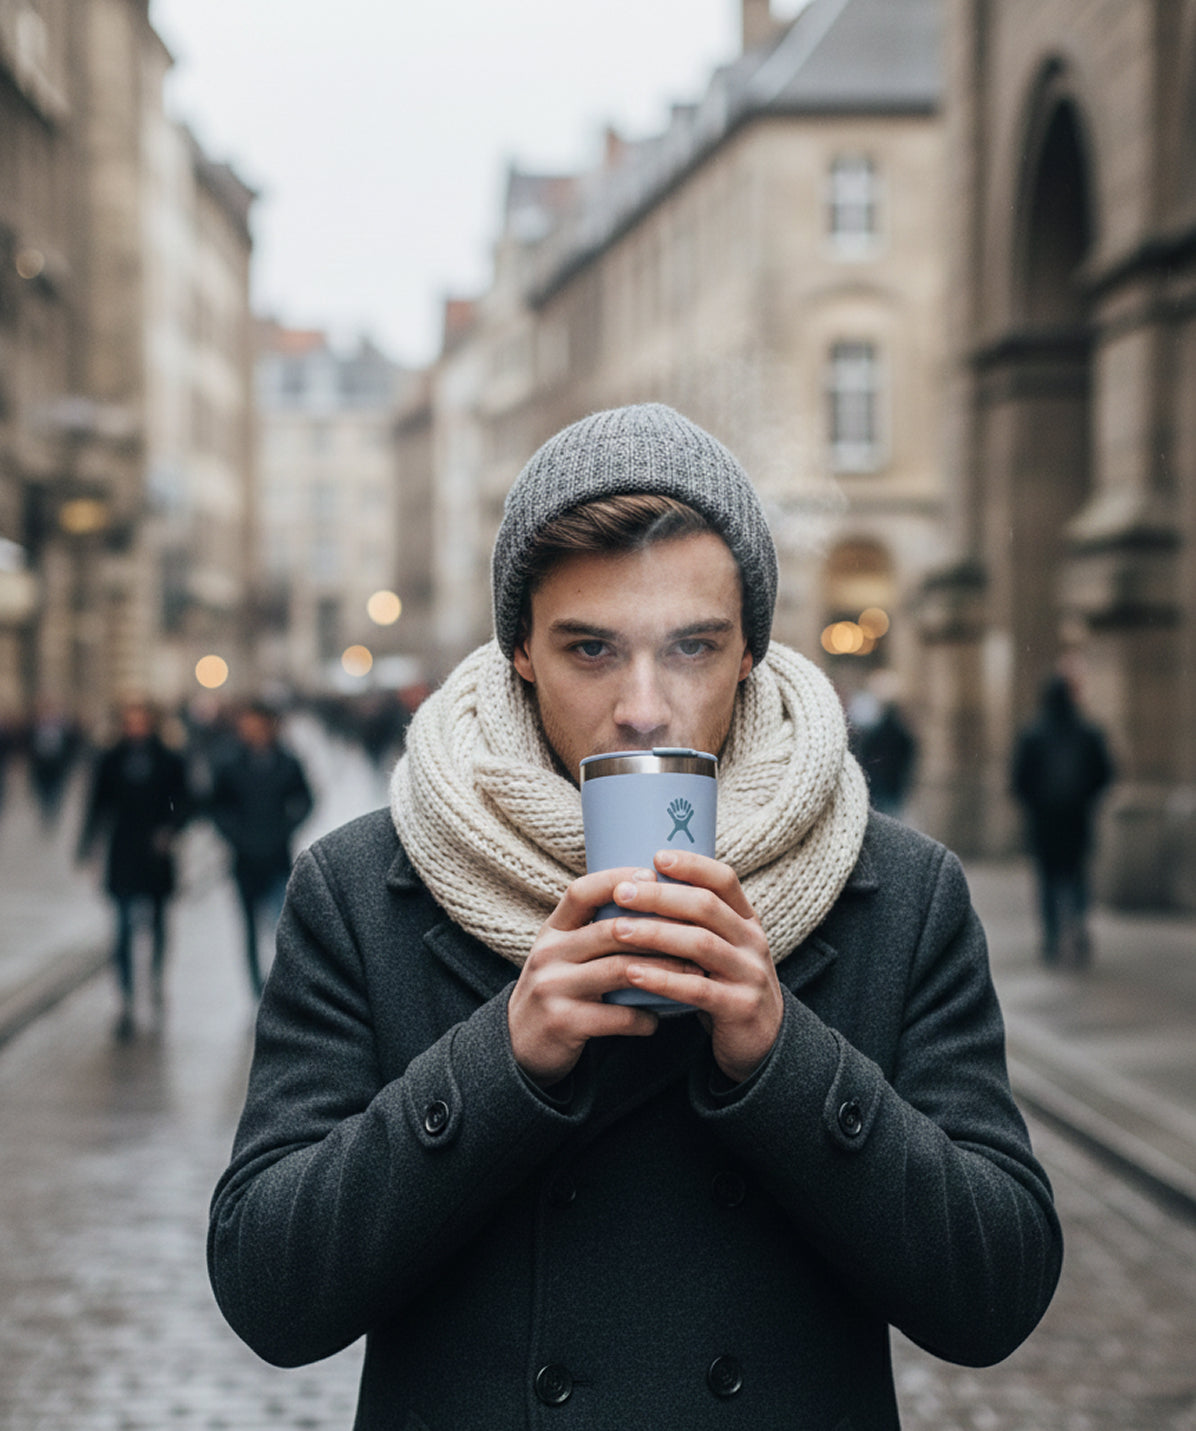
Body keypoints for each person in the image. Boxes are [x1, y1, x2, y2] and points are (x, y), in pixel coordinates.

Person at [209, 404, 1062, 1429]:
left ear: (749, 649)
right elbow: (269, 1289)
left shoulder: (898, 889)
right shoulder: (360, 890)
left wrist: (782, 1058)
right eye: (591, 651)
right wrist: (501, 1062)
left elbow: (996, 1295)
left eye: (692, 648)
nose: (644, 707)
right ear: (519, 649)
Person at [78, 700, 191, 1038]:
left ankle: (155, 976)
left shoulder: (168, 758)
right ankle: (126, 994)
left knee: (157, 922)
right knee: (124, 926)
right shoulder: (111, 758)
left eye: (141, 720)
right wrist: (87, 845)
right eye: (130, 721)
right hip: (123, 852)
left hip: (156, 854)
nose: (135, 726)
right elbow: (97, 804)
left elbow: (185, 800)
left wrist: (171, 828)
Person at [209, 701, 314, 998]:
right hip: (243, 859)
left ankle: (282, 982)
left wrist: (286, 827)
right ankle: (256, 985)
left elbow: (305, 799)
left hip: (277, 857)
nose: (251, 730)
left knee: (281, 924)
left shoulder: (287, 761)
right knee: (249, 926)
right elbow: (216, 805)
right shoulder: (229, 763)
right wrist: (234, 834)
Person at [1012, 671, 1115, 968]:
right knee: (1077, 874)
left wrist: (1036, 803)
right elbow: (1105, 773)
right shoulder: (1087, 732)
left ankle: (1053, 934)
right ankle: (1078, 922)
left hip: (1045, 821)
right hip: (1076, 818)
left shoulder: (1032, 734)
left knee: (1047, 878)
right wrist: (1083, 797)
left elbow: (1019, 780)